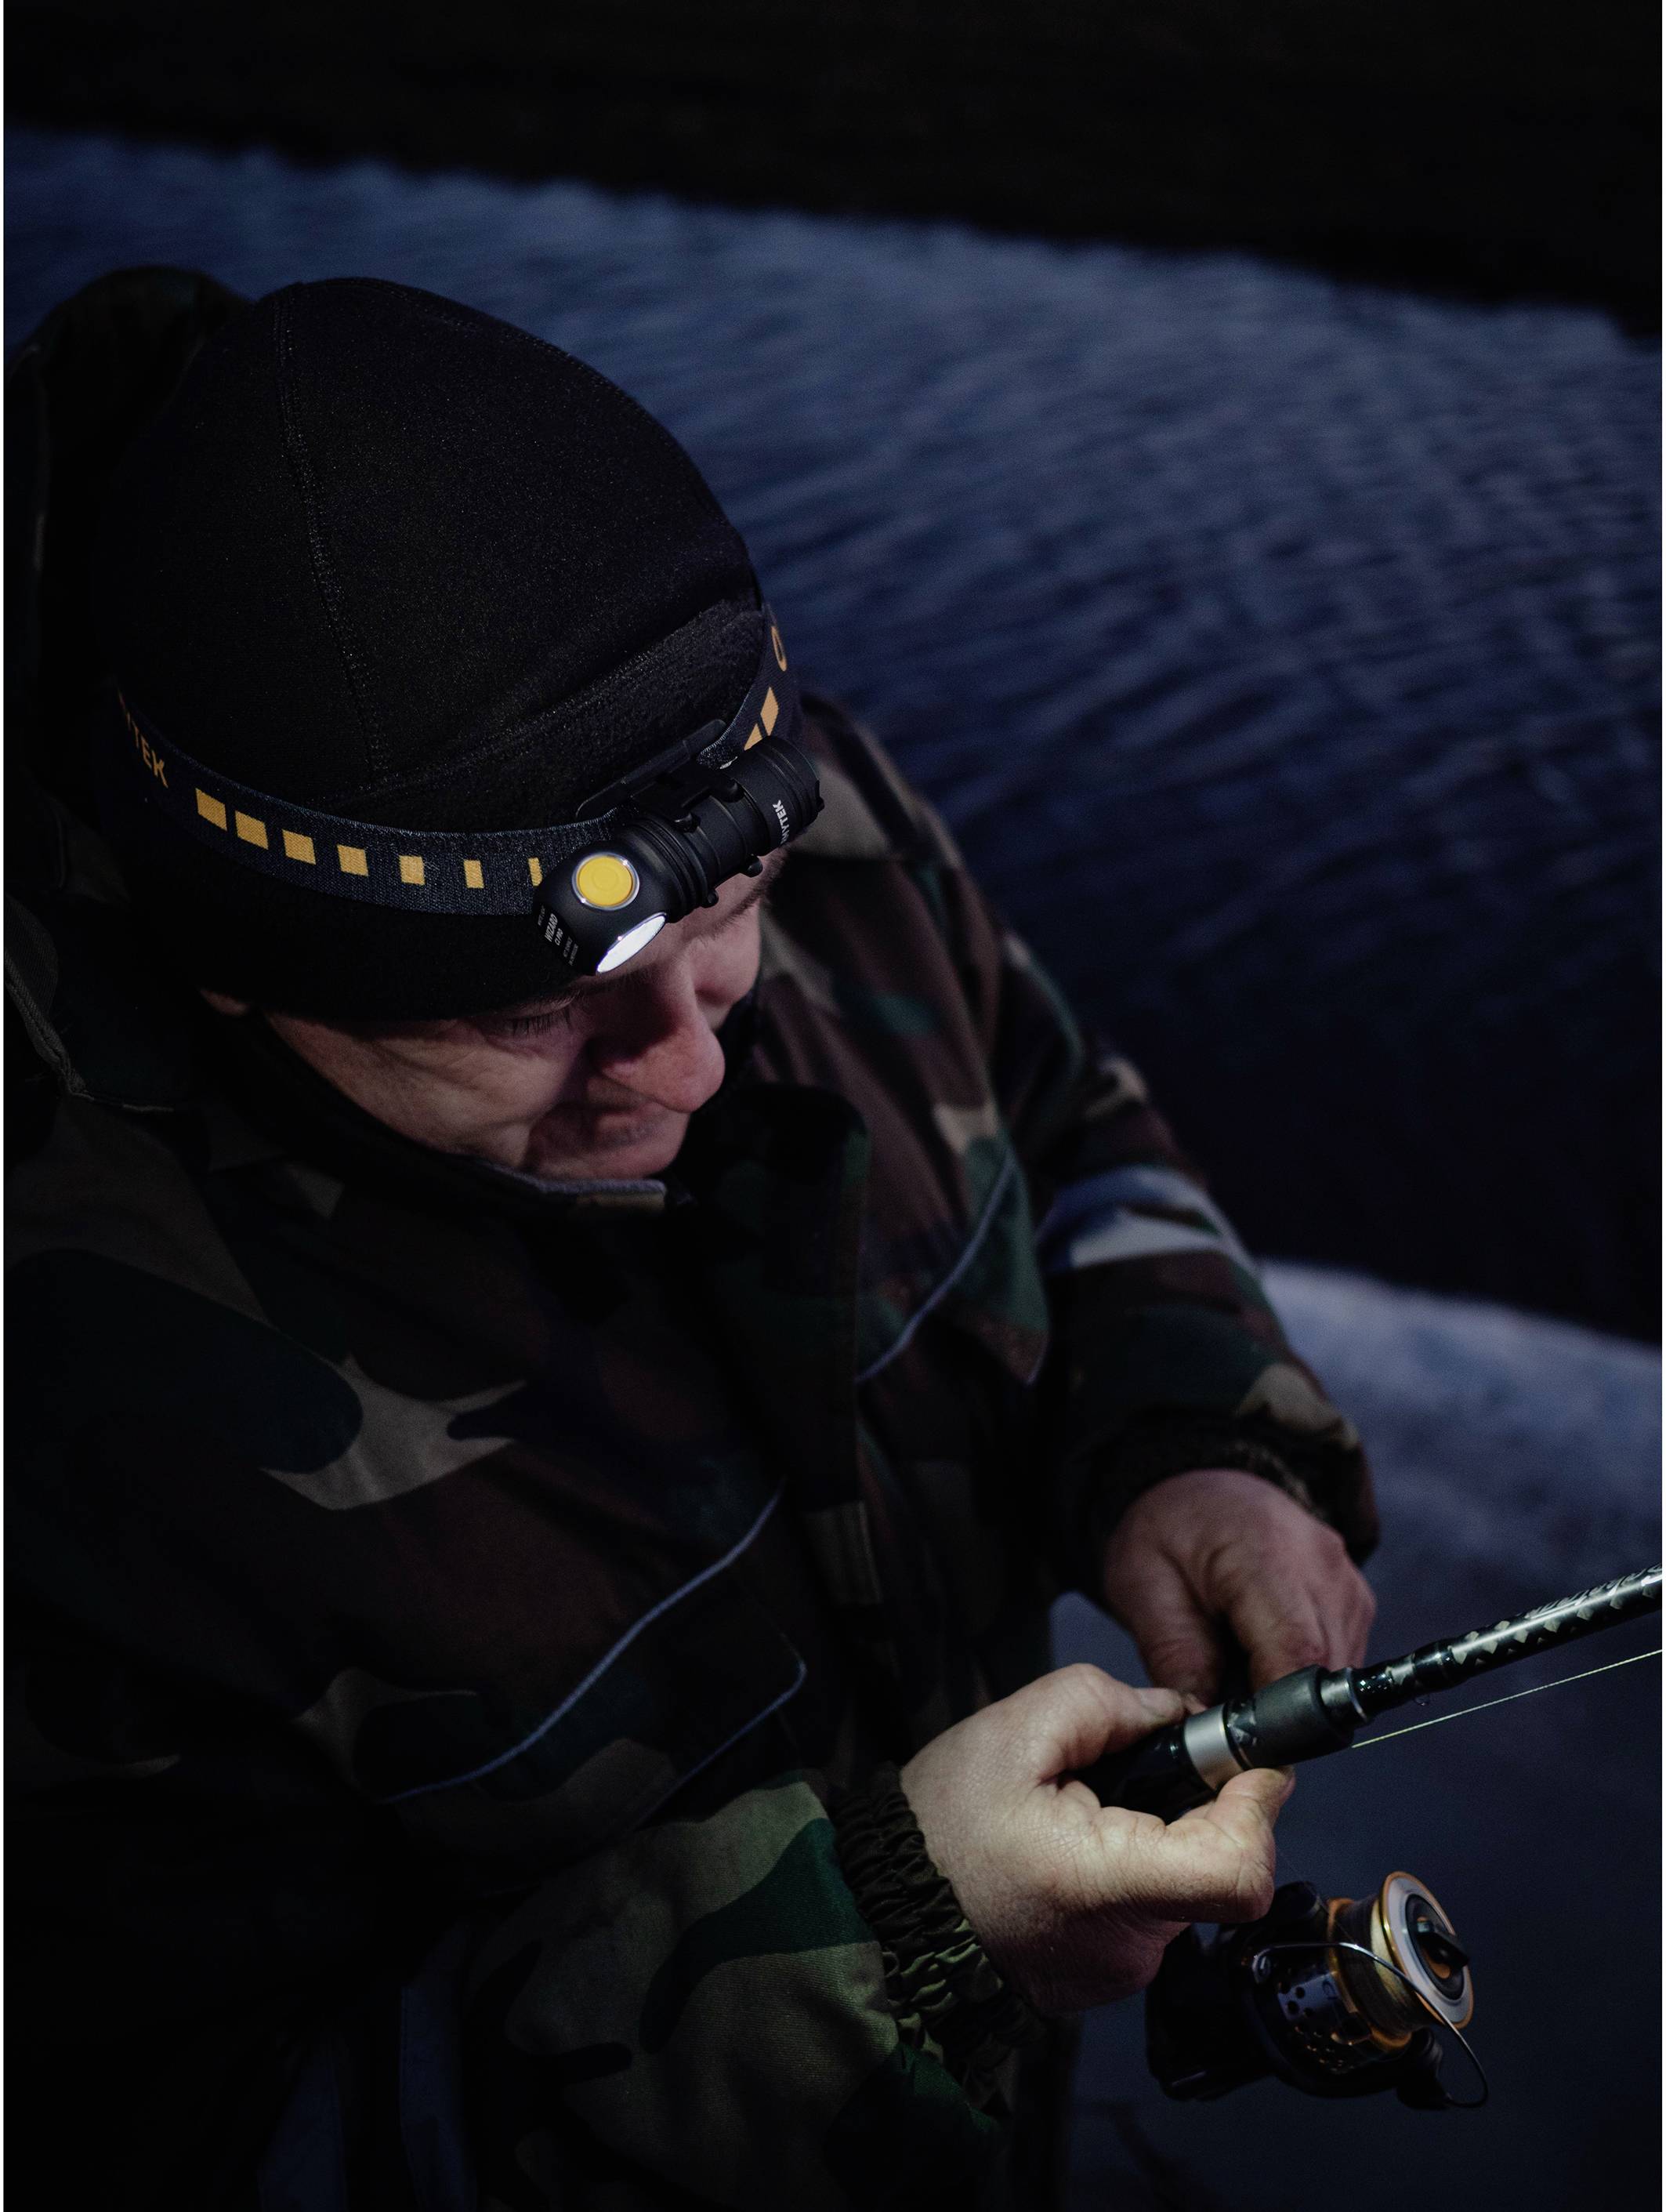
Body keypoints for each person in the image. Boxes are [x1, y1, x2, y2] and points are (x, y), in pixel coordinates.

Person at [6, 270, 1378, 2211]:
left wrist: (1190, 1431)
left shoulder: (755, 794)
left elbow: (1060, 1111)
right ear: (234, 964)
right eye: (527, 1011)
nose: (692, 1058)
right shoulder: (57, 1421)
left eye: (733, 910)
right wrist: (879, 1947)